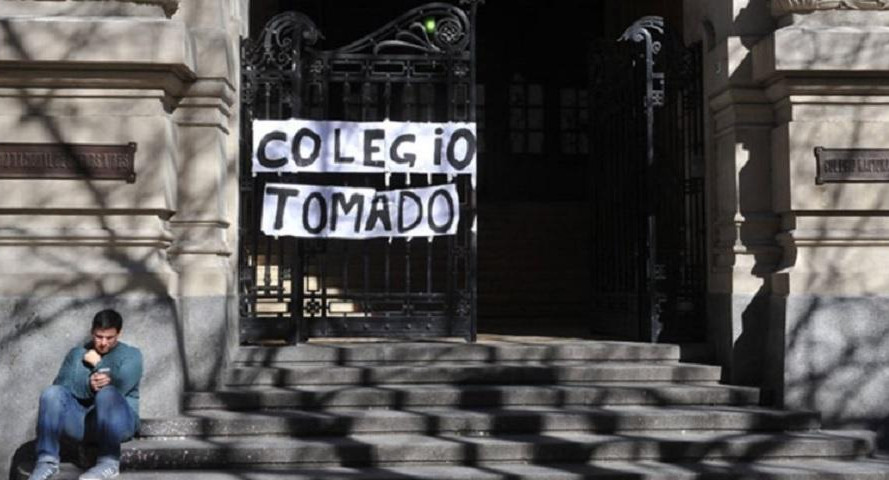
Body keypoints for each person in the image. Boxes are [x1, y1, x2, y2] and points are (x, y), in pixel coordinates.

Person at [28, 309, 143, 480]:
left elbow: (119, 387)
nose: (103, 343)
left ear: (119, 333)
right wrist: (88, 384)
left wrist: (97, 364)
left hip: (120, 424)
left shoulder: (132, 355)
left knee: (107, 393)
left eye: (109, 338)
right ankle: (47, 462)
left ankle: (109, 462)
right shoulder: (76, 355)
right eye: (99, 336)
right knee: (51, 394)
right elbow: (61, 387)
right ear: (92, 332)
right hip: (84, 424)